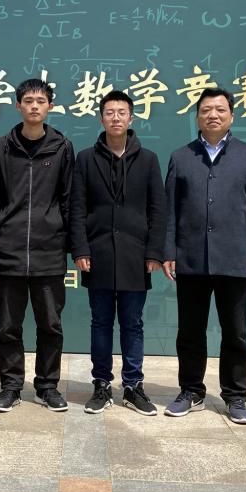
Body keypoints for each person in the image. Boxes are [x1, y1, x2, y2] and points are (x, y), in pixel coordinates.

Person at [162, 87, 246, 424]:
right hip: (191, 258)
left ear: (231, 116)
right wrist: (169, 251)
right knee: (189, 331)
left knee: (235, 332)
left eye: (220, 109)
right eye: (206, 109)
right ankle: (191, 390)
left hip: (235, 259)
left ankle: (235, 396)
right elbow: (170, 211)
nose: (213, 115)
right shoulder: (181, 157)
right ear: (197, 117)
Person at [70, 90, 166, 415]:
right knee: (100, 323)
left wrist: (154, 252)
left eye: (121, 112)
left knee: (132, 323)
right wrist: (80, 248)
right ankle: (101, 384)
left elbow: (158, 210)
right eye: (109, 112)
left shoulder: (148, 159)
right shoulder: (86, 159)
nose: (115, 118)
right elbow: (77, 208)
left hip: (135, 256)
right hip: (97, 254)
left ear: (130, 118)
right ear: (101, 119)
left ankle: (133, 386)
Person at [0, 78, 75, 413]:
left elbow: (68, 200)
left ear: (50, 106)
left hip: (49, 251)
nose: (34, 106)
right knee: (8, 327)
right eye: (28, 101)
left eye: (41, 101)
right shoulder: (1, 147)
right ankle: (11, 386)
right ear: (18, 106)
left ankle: (47, 387)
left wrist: (67, 241)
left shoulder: (62, 147)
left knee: (50, 325)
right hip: (9, 251)